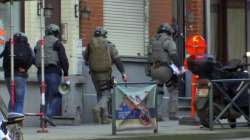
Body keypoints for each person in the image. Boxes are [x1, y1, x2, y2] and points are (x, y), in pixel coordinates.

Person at [84, 26, 128, 124]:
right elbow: (117, 60)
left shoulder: (90, 45)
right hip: (105, 73)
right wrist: (123, 72)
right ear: (104, 35)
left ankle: (104, 118)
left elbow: (85, 57)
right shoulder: (109, 45)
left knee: (100, 93)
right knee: (106, 94)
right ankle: (97, 108)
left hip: (94, 74)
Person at [147, 23, 182, 121]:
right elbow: (173, 55)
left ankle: (156, 114)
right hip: (165, 70)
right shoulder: (168, 40)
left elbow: (149, 58)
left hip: (154, 69)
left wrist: (149, 71)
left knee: (158, 91)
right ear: (169, 32)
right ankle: (173, 113)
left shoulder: (153, 40)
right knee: (173, 89)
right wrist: (180, 67)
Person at [34, 24, 69, 119]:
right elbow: (63, 59)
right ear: (56, 33)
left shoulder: (39, 43)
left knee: (44, 96)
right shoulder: (57, 43)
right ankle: (48, 116)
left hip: (40, 73)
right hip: (53, 72)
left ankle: (43, 117)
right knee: (57, 95)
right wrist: (66, 73)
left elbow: (35, 58)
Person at [0, 32, 33, 113]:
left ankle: (9, 121)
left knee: (12, 99)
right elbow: (31, 59)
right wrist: (25, 68)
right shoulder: (26, 46)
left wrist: (8, 71)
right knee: (19, 101)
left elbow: (5, 62)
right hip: (20, 76)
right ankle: (16, 123)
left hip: (8, 76)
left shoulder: (9, 46)